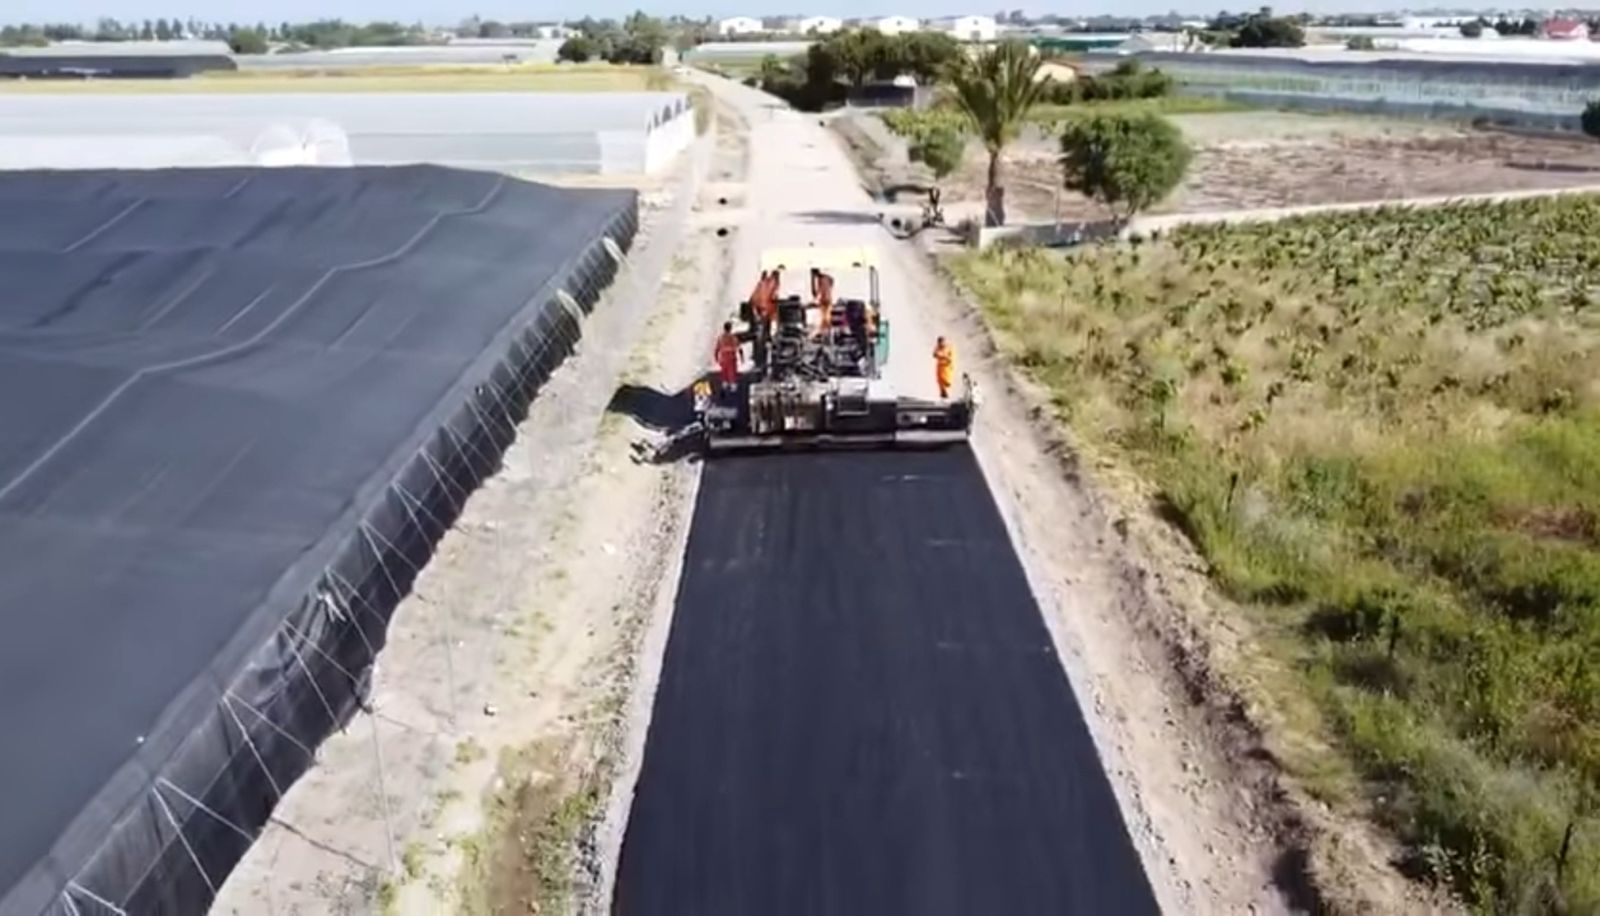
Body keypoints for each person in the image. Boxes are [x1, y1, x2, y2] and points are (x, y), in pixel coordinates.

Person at [715, 321, 741, 391]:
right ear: (730, 328)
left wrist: (716, 357)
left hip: (724, 357)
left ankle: (725, 383)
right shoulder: (733, 337)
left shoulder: (720, 338)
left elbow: (717, 348)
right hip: (731, 357)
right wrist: (742, 357)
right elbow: (739, 348)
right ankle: (732, 384)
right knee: (732, 371)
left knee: (724, 370)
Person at [811, 269, 835, 335]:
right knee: (826, 317)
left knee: (824, 318)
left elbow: (815, 293)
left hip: (824, 300)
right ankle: (827, 332)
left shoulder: (819, 279)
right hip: (828, 299)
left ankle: (825, 333)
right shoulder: (826, 277)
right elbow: (832, 281)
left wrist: (812, 279)